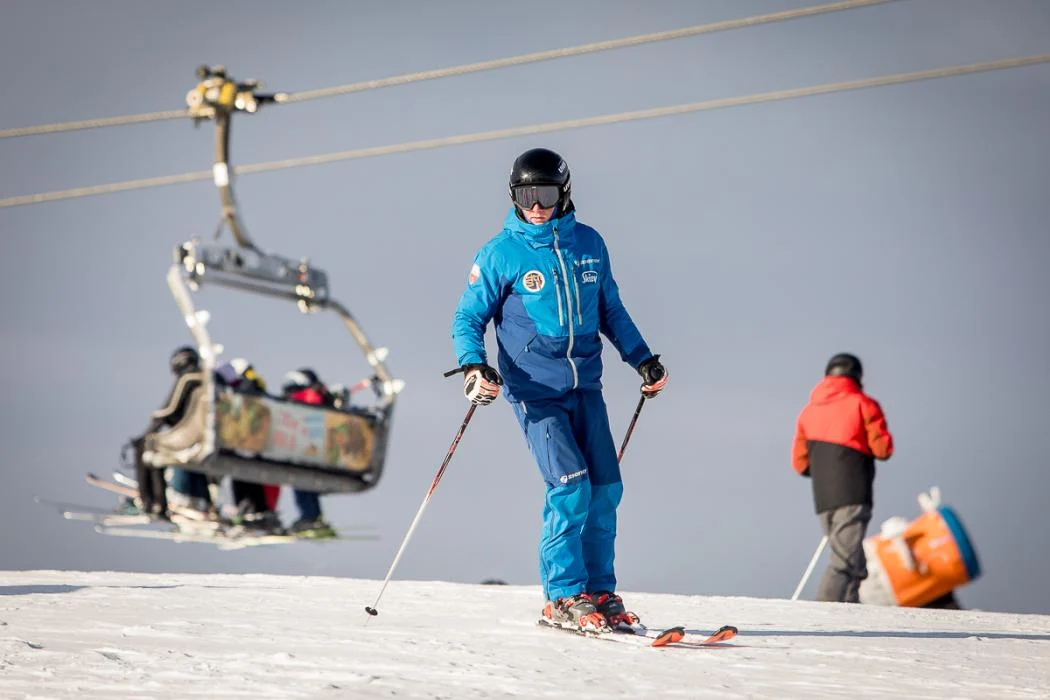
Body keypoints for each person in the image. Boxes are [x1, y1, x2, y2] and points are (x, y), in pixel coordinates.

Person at [451, 147, 668, 633]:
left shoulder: (588, 243)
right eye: (526, 194)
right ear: (513, 195)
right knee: (570, 487)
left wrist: (642, 358)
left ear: (564, 193)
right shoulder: (500, 253)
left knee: (606, 489)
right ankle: (563, 596)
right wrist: (473, 365)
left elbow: (611, 310)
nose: (536, 206)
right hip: (535, 392)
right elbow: (468, 317)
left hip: (585, 386)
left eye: (546, 194)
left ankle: (599, 592)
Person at [792, 353, 894, 603]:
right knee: (844, 561)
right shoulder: (863, 404)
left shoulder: (808, 412)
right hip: (853, 491)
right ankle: (824, 613)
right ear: (857, 376)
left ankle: (850, 613)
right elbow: (883, 450)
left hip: (823, 498)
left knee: (853, 560)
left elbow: (800, 464)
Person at [132, 345, 205, 519]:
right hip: (207, 439)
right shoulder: (209, 379)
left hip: (190, 437)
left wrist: (146, 434)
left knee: (147, 447)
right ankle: (203, 503)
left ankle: (152, 502)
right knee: (154, 445)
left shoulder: (188, 378)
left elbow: (168, 410)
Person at [214, 357, 284, 534]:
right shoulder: (257, 385)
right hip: (258, 441)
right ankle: (259, 511)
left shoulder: (245, 387)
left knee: (241, 474)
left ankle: (247, 509)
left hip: (246, 440)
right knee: (252, 477)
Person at [280, 368, 338, 538]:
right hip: (314, 450)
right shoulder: (321, 396)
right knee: (306, 484)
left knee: (301, 482)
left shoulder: (306, 397)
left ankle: (310, 517)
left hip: (306, 449)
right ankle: (315, 517)